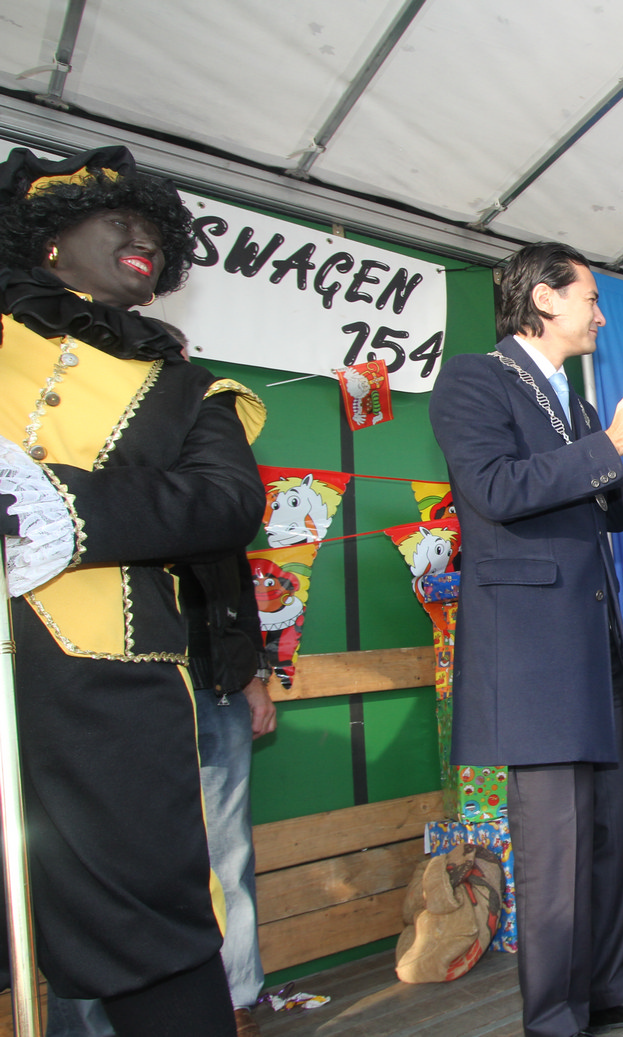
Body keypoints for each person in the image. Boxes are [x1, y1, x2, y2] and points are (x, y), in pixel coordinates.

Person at [0, 145, 266, 1035]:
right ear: (47, 237)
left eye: (156, 227)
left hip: (111, 690)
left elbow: (227, 500)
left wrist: (65, 509)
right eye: (117, 216)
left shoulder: (191, 388)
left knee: (149, 934)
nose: (142, 235)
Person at [428, 242, 623, 1037]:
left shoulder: (578, 410)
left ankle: (610, 983)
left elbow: (608, 511)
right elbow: (494, 489)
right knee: (555, 852)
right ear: (544, 299)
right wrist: (611, 444)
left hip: (596, 650)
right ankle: (553, 1018)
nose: (601, 315)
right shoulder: (474, 379)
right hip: (535, 659)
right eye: (591, 297)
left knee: (617, 830)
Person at [47, 552, 277, 1037]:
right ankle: (89, 1028)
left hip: (214, 685)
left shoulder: (209, 505)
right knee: (96, 862)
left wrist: (255, 677)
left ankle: (232, 1001)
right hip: (117, 691)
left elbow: (238, 585)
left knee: (226, 852)